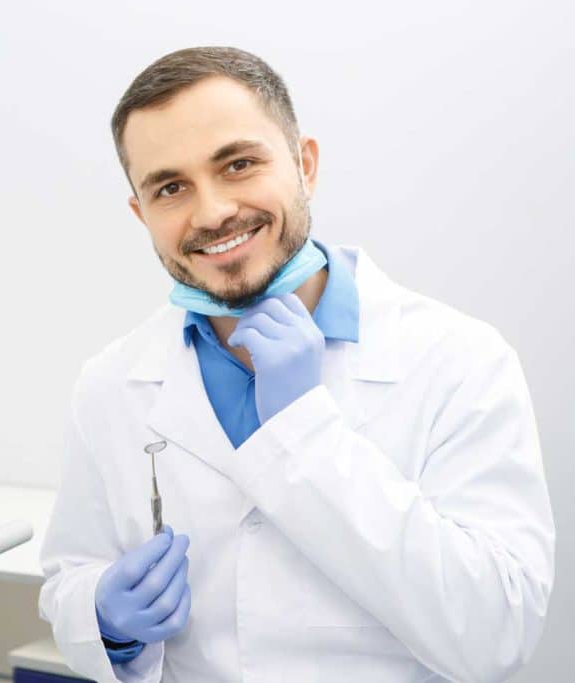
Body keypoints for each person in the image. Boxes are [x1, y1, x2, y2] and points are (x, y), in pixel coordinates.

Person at [38, 46, 555, 683]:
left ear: (304, 165)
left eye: (239, 164)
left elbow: (497, 633)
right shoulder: (112, 383)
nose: (212, 213)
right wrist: (104, 621)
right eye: (170, 188)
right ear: (141, 213)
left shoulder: (459, 361)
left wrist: (308, 434)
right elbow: (70, 574)